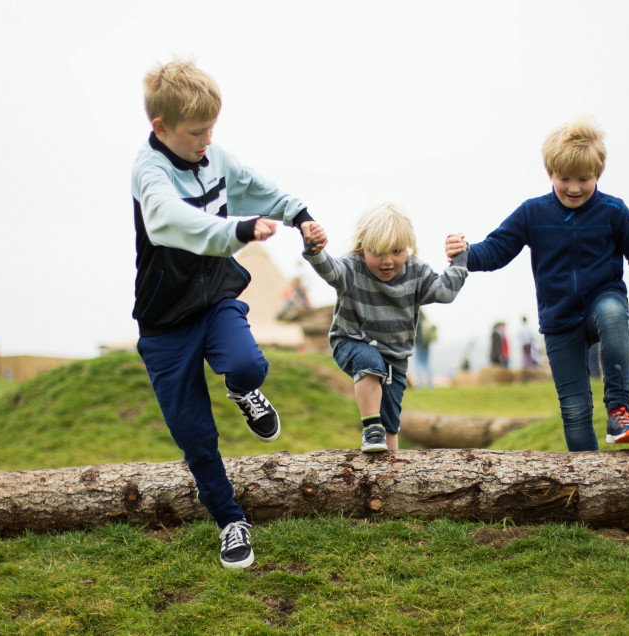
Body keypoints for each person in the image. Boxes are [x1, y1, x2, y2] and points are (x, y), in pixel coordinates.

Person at [131, 59, 324, 569]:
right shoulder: (149, 173)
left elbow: (258, 188)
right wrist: (236, 232)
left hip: (215, 297)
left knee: (247, 365)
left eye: (212, 127)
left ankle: (243, 391)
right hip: (165, 322)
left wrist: (299, 215)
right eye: (196, 131)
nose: (207, 139)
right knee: (194, 434)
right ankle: (230, 520)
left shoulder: (214, 156)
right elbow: (172, 223)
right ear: (161, 127)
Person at [446, 117, 629, 450]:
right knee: (574, 410)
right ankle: (587, 478)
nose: (574, 188)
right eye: (565, 179)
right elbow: (496, 250)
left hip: (602, 299)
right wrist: (464, 254)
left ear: (598, 174)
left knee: (614, 314)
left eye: (584, 179)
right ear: (550, 173)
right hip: (559, 318)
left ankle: (619, 411)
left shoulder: (612, 210)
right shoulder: (533, 213)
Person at [302, 201, 467, 453]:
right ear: (362, 247)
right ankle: (370, 428)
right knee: (370, 364)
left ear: (408, 248)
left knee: (390, 421)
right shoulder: (352, 267)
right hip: (352, 341)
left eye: (397, 251)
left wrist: (459, 260)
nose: (388, 261)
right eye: (378, 252)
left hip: (396, 357)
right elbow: (330, 271)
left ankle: (389, 471)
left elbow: (444, 292)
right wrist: (315, 249)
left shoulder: (415, 272)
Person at [413, 309, 436, 389]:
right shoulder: (424, 316)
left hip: (419, 343)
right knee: (427, 363)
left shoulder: (415, 315)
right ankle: (431, 385)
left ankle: (419, 385)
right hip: (426, 342)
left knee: (418, 364)